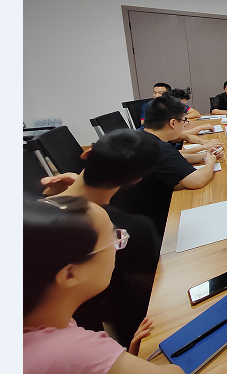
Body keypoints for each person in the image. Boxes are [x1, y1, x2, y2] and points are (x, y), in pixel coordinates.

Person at [23, 195, 187, 374]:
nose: (117, 245)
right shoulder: (75, 352)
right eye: (112, 238)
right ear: (70, 274)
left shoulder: (41, 320)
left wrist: (120, 364)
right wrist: (108, 361)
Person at [39, 129, 164, 346]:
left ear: (86, 154)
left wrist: (50, 194)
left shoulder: (33, 209)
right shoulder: (134, 228)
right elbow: (150, 284)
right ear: (136, 179)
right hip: (105, 319)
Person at [110, 95, 219, 236]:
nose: (184, 125)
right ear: (173, 123)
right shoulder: (158, 147)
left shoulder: (141, 137)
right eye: (184, 121)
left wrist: (203, 156)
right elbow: (197, 181)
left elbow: (172, 159)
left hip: (124, 214)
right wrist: (210, 162)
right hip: (147, 223)